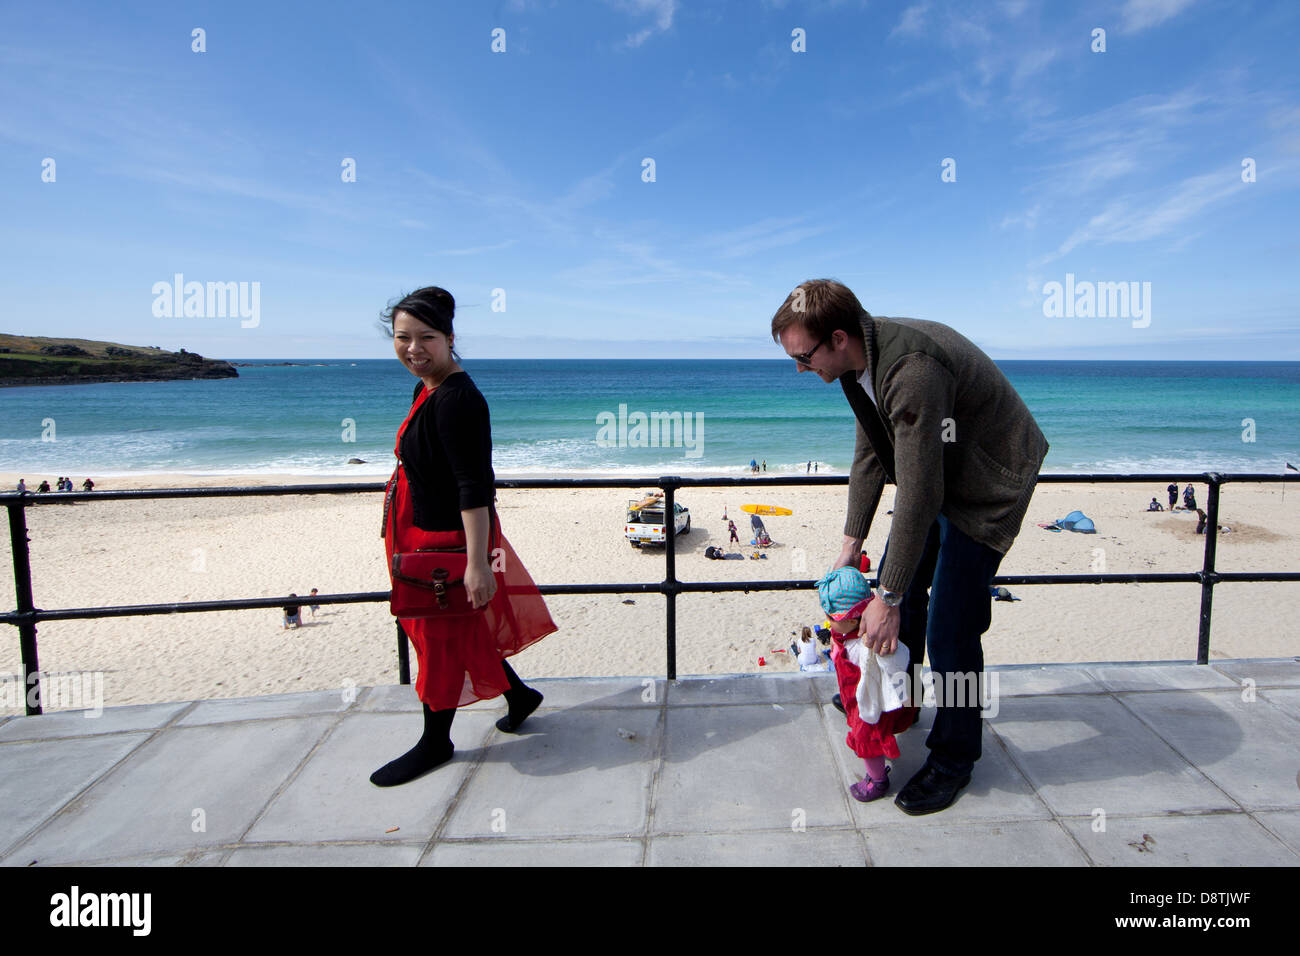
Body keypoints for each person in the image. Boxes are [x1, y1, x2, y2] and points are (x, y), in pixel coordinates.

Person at [772, 279, 1049, 815]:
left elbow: (921, 492)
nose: (801, 371)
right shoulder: (857, 365)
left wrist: (887, 596)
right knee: (911, 594)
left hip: (990, 482)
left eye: (804, 358)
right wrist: (851, 544)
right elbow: (873, 455)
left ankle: (955, 757)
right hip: (945, 475)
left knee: (952, 626)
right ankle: (900, 704)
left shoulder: (912, 370)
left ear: (837, 337)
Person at [374, 286, 557, 788]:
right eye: (402, 338)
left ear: (450, 338)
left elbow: (474, 486)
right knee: (462, 629)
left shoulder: (458, 400)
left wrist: (478, 564)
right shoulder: (427, 387)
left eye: (426, 338)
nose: (413, 349)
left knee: (436, 640)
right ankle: (519, 697)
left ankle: (437, 741)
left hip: (447, 543)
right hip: (423, 532)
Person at [817, 566, 918, 802]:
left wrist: (906, 698)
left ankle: (878, 780)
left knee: (868, 739)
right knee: (862, 731)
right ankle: (877, 773)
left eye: (831, 618)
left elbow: (896, 664)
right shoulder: (845, 634)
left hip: (871, 703)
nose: (827, 622)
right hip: (855, 697)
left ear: (852, 619)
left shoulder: (869, 645)